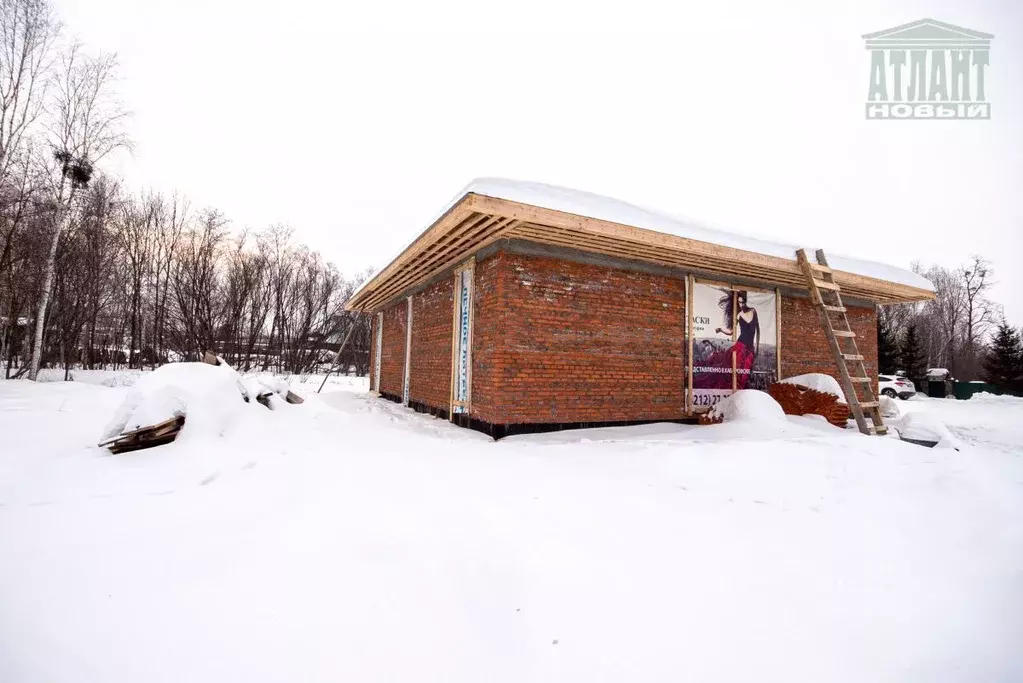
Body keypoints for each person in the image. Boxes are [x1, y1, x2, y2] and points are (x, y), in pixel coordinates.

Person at [712, 290, 760, 390]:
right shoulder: (739, 314)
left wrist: (739, 311)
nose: (741, 304)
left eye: (742, 302)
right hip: (740, 345)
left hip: (749, 349)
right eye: (738, 302)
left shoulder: (752, 311)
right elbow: (731, 332)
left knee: (744, 375)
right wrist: (721, 329)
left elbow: (748, 320)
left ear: (745, 301)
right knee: (736, 372)